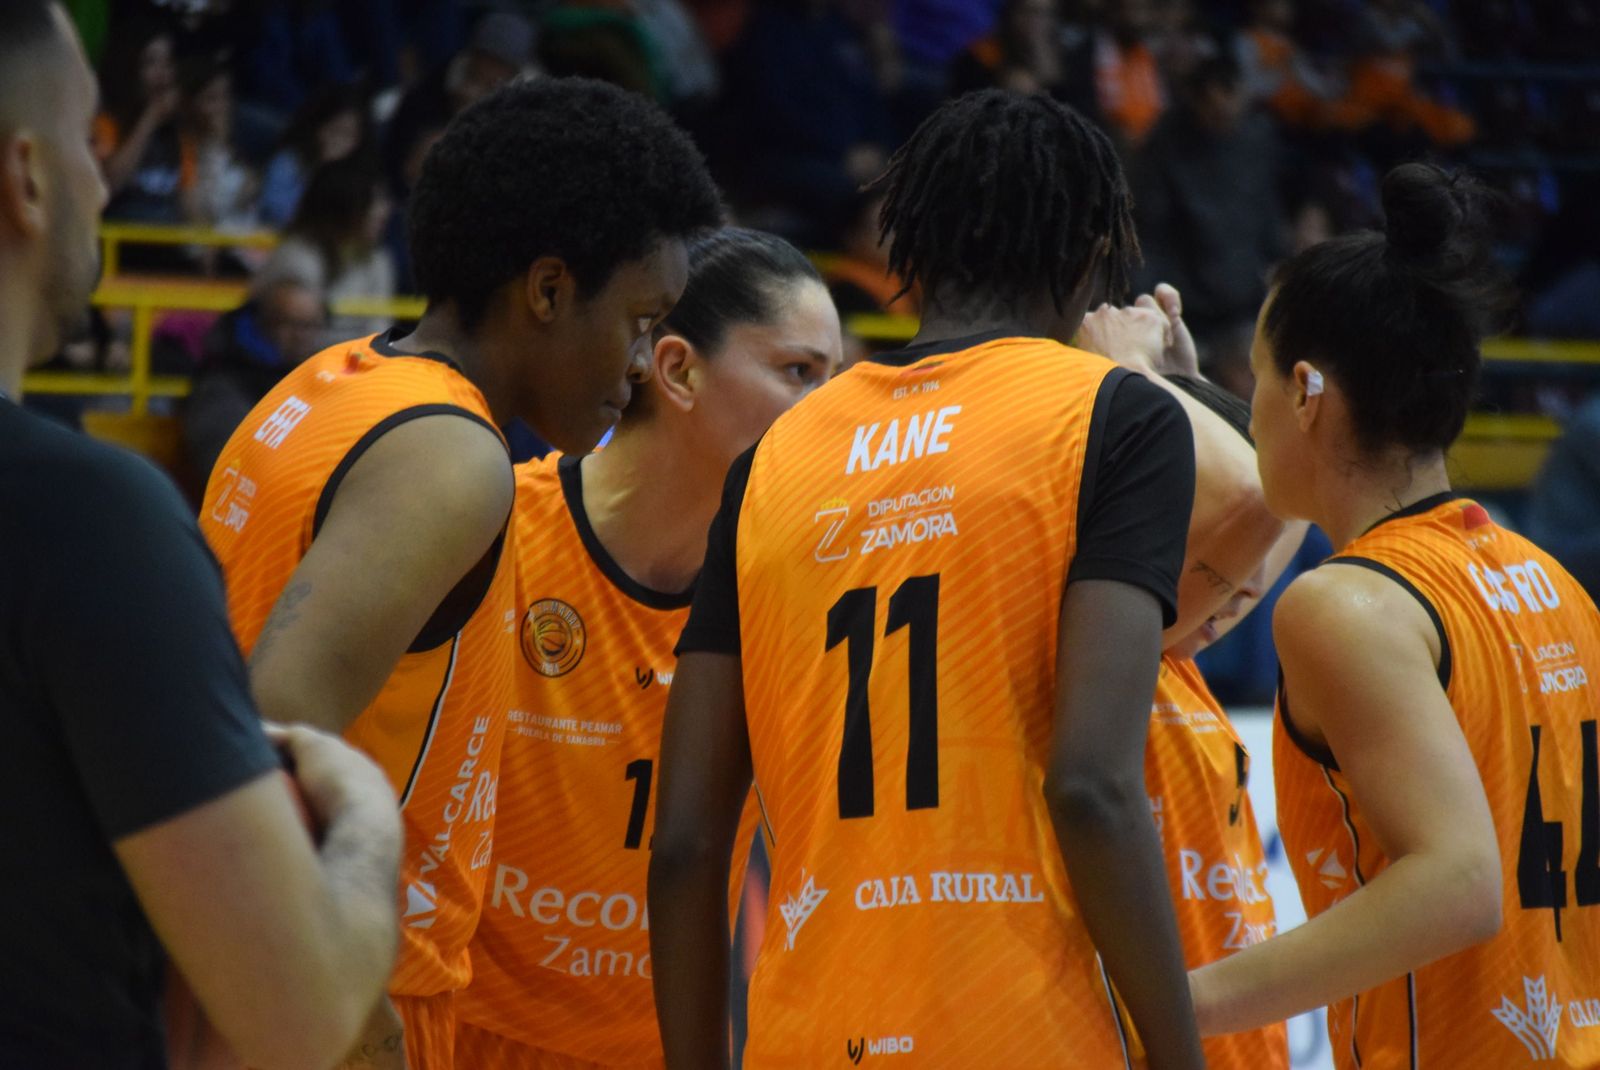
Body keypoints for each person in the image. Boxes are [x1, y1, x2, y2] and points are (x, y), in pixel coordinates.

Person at [649, 89, 1205, 1069]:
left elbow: (689, 842)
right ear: (1088, 252)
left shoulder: (775, 456)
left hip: (812, 1036)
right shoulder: (1115, 413)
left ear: (910, 247)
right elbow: (1090, 786)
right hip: (1024, 1033)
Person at [198, 76, 723, 1068]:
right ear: (549, 289)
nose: (646, 360)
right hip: (334, 981)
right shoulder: (450, 456)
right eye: (642, 318)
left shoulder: (324, 382)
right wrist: (360, 1015)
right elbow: (269, 734)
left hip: (233, 958)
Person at [0, 4, 403, 1066]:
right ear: (28, 179)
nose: (103, 181)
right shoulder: (84, 517)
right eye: (93, 143)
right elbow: (298, 1012)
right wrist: (364, 811)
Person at [1187, 163, 1600, 1067]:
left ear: (1305, 391)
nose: (1247, 410)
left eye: (1251, 378)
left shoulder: (1345, 603)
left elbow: (1457, 882)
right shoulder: (1550, 581)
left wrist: (1178, 1004)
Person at [456, 227, 843, 1067]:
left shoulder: (802, 588)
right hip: (454, 1035)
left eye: (834, 381)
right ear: (676, 370)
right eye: (798, 374)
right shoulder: (493, 529)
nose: (829, 414)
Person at [182, 277, 328, 477]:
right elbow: (228, 463)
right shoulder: (222, 379)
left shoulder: (320, 377)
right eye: (290, 323)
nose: (302, 335)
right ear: (263, 323)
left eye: (311, 325)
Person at [256, 156, 394, 339]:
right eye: (373, 201)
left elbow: (380, 329)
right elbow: (295, 340)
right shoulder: (297, 256)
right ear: (343, 205)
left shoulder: (377, 260)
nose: (384, 210)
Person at [259, 82, 371, 228]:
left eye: (349, 134)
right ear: (318, 127)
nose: (340, 141)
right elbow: (275, 211)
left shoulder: (358, 177)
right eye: (336, 129)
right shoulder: (288, 162)